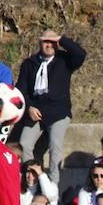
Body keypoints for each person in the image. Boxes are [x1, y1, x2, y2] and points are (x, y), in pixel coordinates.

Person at [16, 30, 86, 185]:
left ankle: (53, 187)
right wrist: (29, 108)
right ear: (39, 43)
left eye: (51, 42)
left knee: (55, 147)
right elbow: (21, 90)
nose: (48, 45)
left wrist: (61, 39)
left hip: (58, 112)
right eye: (45, 41)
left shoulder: (64, 60)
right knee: (24, 144)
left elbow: (80, 54)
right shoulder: (29, 63)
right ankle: (31, 182)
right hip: (35, 111)